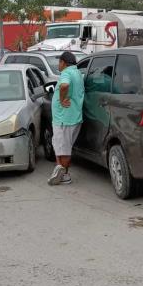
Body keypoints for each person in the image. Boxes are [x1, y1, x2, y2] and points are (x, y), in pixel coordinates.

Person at [48, 51, 84, 186]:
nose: (59, 64)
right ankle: (60, 171)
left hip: (65, 118)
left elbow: (64, 85)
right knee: (59, 145)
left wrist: (62, 99)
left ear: (63, 62)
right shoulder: (77, 73)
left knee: (64, 149)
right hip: (71, 117)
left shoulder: (67, 73)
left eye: (59, 62)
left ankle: (65, 175)